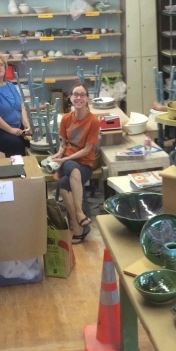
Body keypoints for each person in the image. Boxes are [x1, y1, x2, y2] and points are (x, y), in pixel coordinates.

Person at [47, 85, 100, 243]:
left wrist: (64, 159)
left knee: (64, 184)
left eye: (82, 95)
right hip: (68, 162)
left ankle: (77, 226)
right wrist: (59, 155)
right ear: (70, 98)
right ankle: (80, 214)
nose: (78, 98)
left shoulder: (93, 121)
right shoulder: (66, 119)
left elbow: (87, 150)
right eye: (75, 94)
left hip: (85, 163)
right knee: (73, 171)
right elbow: (64, 144)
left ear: (87, 98)